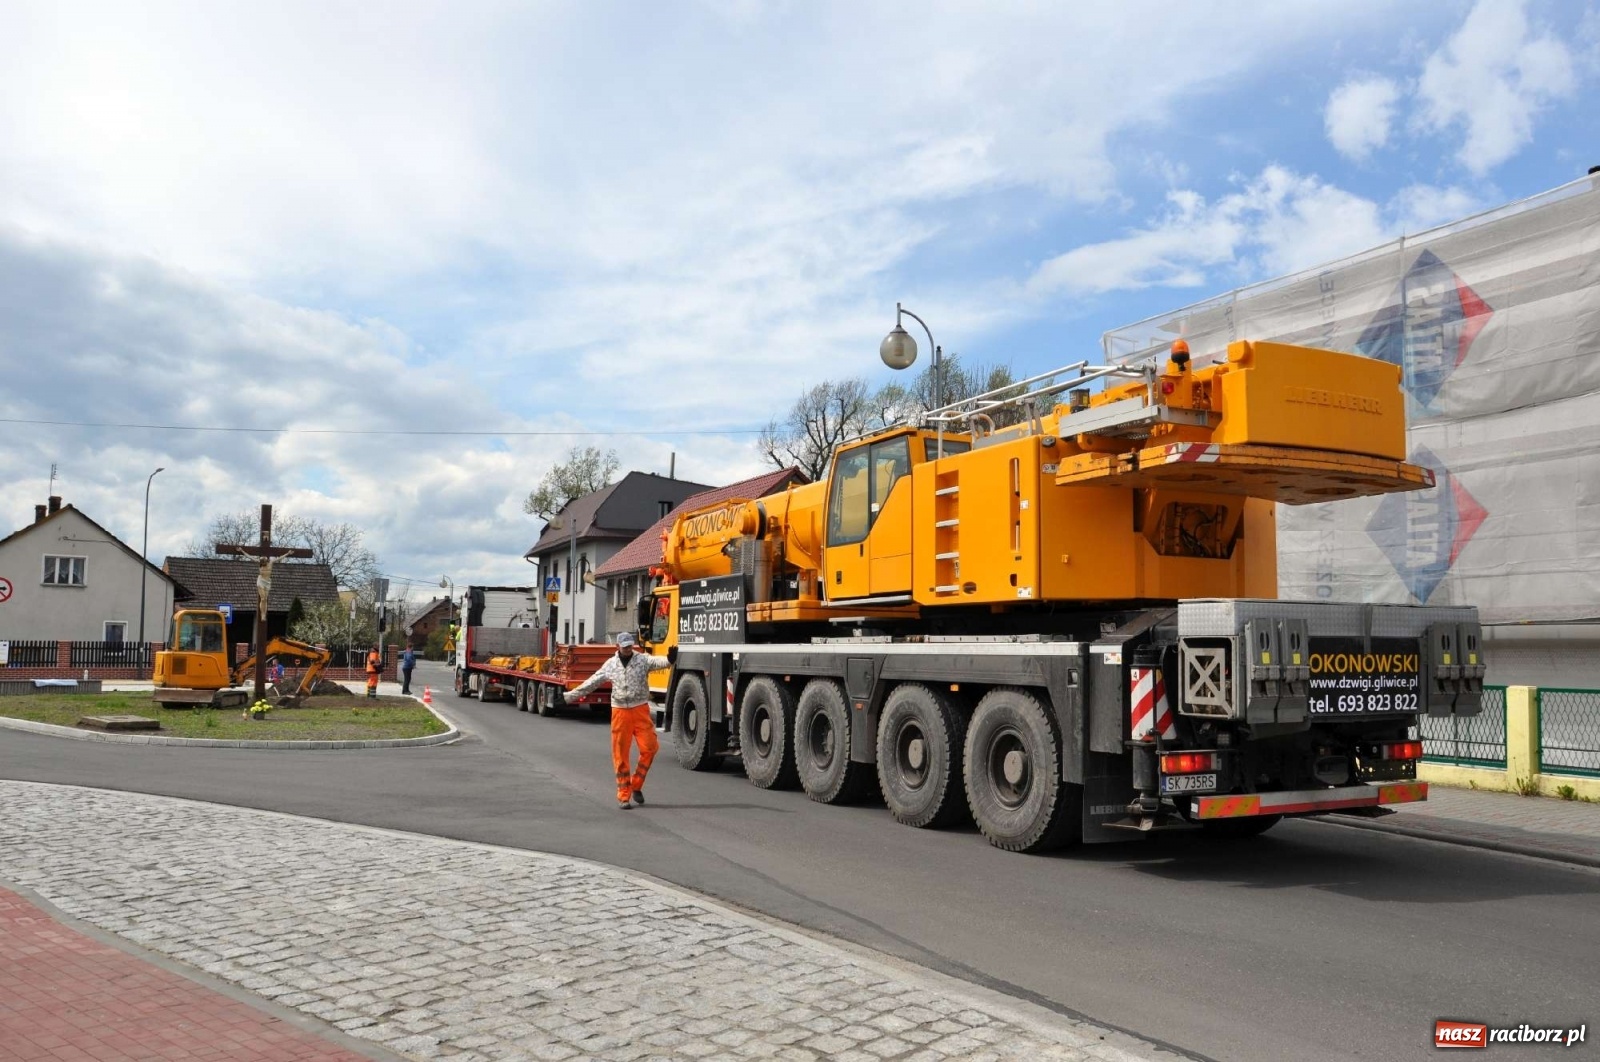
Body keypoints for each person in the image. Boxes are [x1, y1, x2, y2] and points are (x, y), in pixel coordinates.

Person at [565, 632, 674, 810]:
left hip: (640, 710)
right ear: (618, 647)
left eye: (630, 646)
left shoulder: (642, 660)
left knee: (650, 748)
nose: (628, 649)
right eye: (625, 647)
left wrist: (669, 659)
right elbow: (593, 682)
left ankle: (636, 785)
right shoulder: (611, 664)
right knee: (620, 754)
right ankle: (624, 796)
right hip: (620, 712)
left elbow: (657, 662)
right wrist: (570, 696)